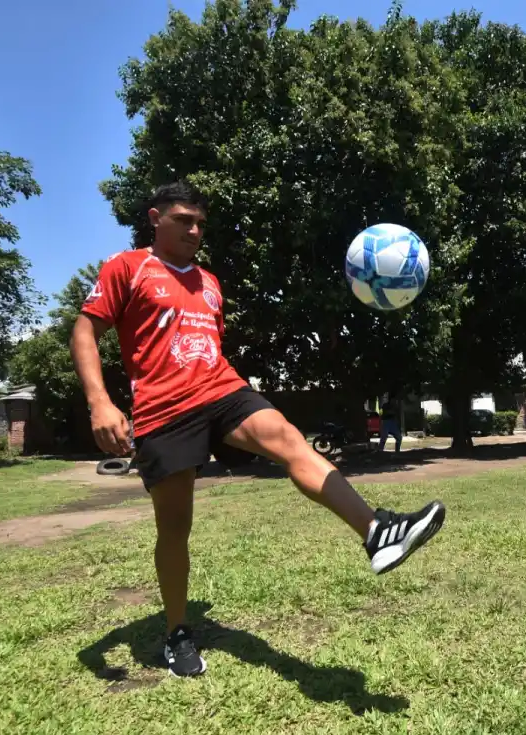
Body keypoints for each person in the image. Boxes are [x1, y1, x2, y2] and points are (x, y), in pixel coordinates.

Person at [71, 181, 447, 678]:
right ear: (155, 217)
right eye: (184, 219)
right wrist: (100, 401)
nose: (194, 229)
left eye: (200, 222)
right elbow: (84, 330)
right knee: (175, 527)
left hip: (220, 390)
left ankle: (377, 531)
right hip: (163, 410)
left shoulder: (209, 282)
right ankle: (178, 630)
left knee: (289, 438)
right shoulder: (127, 267)